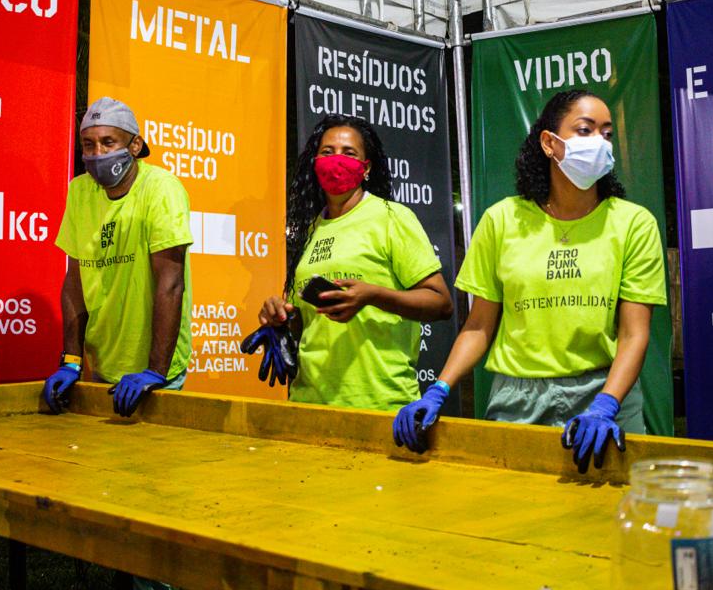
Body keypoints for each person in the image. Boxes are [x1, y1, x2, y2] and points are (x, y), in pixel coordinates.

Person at [393, 90, 667, 472]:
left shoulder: (634, 223)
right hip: (517, 401)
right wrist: (439, 389)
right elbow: (479, 326)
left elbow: (634, 334)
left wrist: (607, 404)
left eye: (606, 134)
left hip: (606, 396)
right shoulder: (501, 220)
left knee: (612, 506)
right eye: (585, 130)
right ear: (549, 143)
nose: (600, 143)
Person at [42, 97, 192, 590]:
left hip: (154, 371)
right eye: (88, 145)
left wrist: (156, 371)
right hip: (104, 364)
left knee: (148, 501)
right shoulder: (79, 192)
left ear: (135, 145)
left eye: (108, 142)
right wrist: (70, 358)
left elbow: (169, 281)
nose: (97, 153)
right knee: (111, 495)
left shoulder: (161, 188)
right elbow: (73, 281)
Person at [258, 114, 453, 410]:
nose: (337, 159)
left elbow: (441, 303)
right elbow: (308, 324)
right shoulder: (310, 231)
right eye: (327, 152)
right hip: (309, 402)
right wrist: (281, 317)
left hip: (381, 401)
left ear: (366, 168)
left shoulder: (390, 217)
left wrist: (372, 295)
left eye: (349, 153)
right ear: (315, 162)